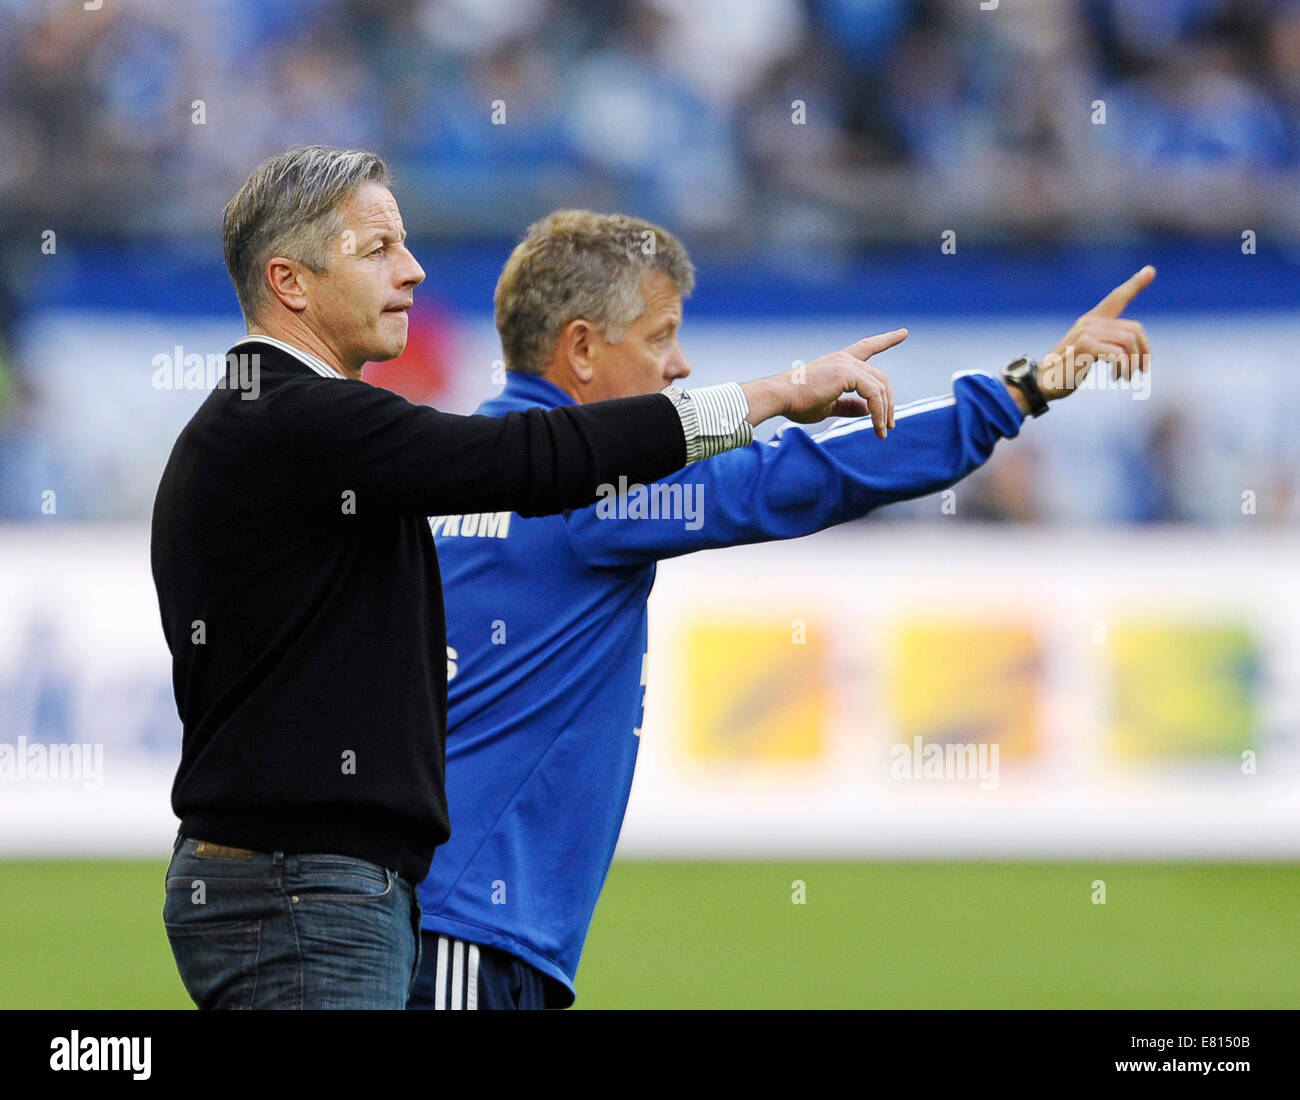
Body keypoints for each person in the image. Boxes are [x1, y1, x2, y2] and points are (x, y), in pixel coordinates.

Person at [151, 150, 894, 1010]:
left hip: (301, 881)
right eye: (378, 248)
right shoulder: (293, 418)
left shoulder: (264, 423)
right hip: (307, 886)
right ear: (290, 280)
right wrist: (769, 394)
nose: (414, 269)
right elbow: (534, 458)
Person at [409, 210, 1154, 1010]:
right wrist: (1022, 391)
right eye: (660, 335)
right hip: (471, 933)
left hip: (419, 909)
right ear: (583, 348)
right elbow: (805, 473)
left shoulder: (452, 469)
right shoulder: (588, 484)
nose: (680, 365)